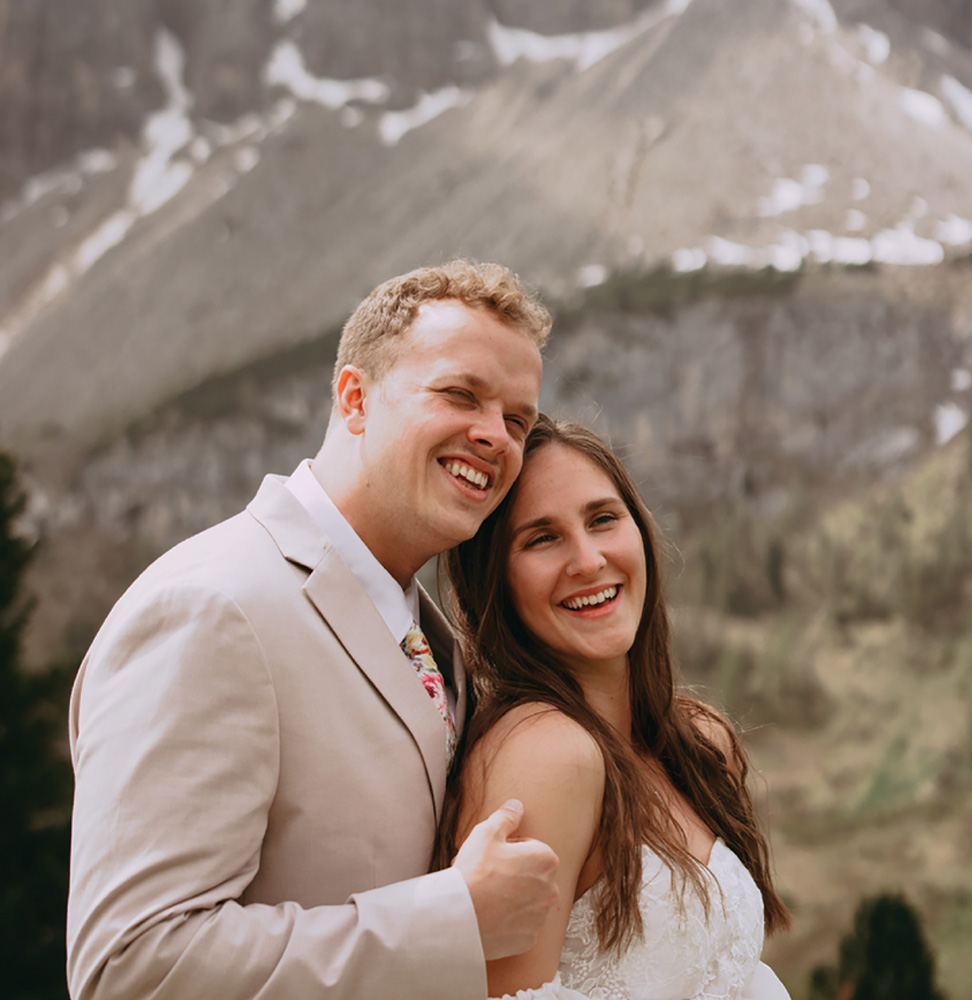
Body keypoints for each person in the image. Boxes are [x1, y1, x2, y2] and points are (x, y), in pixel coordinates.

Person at [66, 260, 562, 1000]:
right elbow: (133, 966)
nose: (495, 437)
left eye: (517, 419)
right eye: (461, 394)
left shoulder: (437, 637)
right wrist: (452, 920)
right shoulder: (210, 606)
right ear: (355, 399)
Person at [439, 415, 793, 1000]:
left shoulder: (701, 742)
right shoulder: (547, 755)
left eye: (603, 519)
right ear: (494, 581)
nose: (588, 560)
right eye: (542, 538)